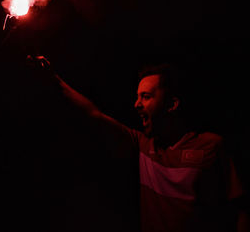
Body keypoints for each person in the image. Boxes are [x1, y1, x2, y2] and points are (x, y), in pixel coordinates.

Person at [27, 55, 249, 232]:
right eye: (137, 96)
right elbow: (93, 114)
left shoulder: (211, 146)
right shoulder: (143, 145)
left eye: (146, 96)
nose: (136, 104)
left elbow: (240, 209)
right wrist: (53, 78)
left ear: (172, 104)